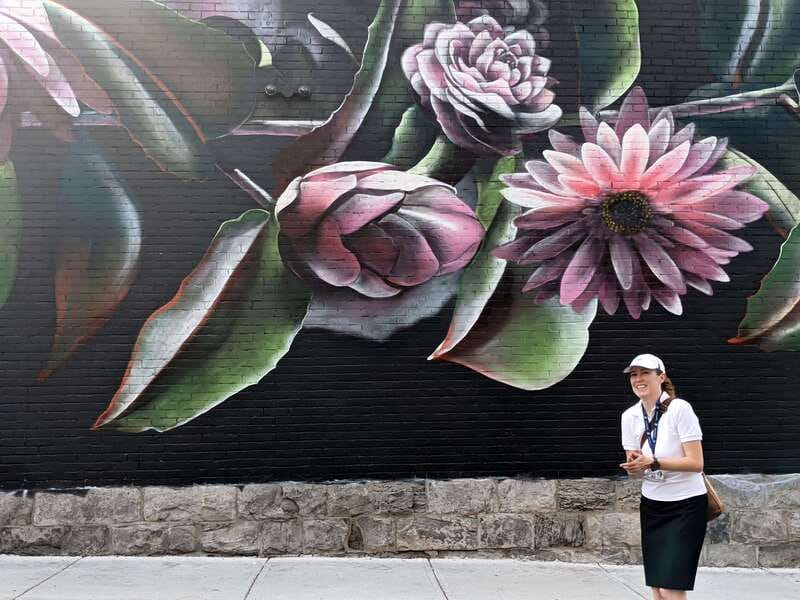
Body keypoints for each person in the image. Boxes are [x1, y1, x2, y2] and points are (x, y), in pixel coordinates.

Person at [619, 354, 707, 600]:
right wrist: (635, 468)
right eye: (634, 375)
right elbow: (638, 468)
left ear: (661, 376)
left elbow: (696, 463)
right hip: (653, 505)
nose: (638, 379)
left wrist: (654, 461)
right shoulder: (629, 417)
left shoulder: (680, 409)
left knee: (671, 588)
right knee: (657, 589)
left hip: (686, 506)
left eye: (645, 373)